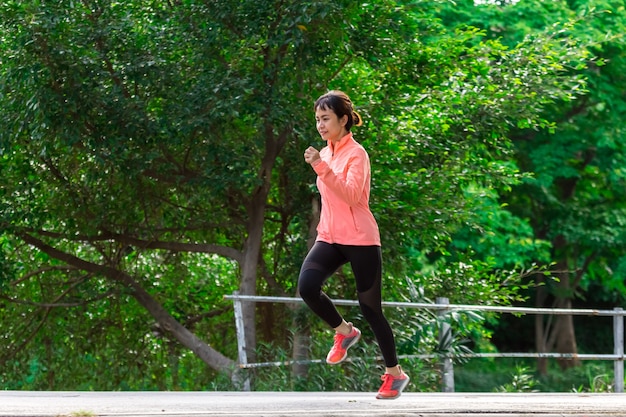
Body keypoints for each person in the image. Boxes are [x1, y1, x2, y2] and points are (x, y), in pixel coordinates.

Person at [299, 90, 409, 399]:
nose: (321, 125)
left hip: (360, 238)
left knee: (371, 309)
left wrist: (320, 166)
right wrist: (322, 163)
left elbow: (349, 195)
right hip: (330, 237)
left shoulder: (356, 154)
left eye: (326, 119)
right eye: (318, 119)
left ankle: (394, 374)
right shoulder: (327, 152)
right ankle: (344, 331)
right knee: (307, 286)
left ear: (343, 119)